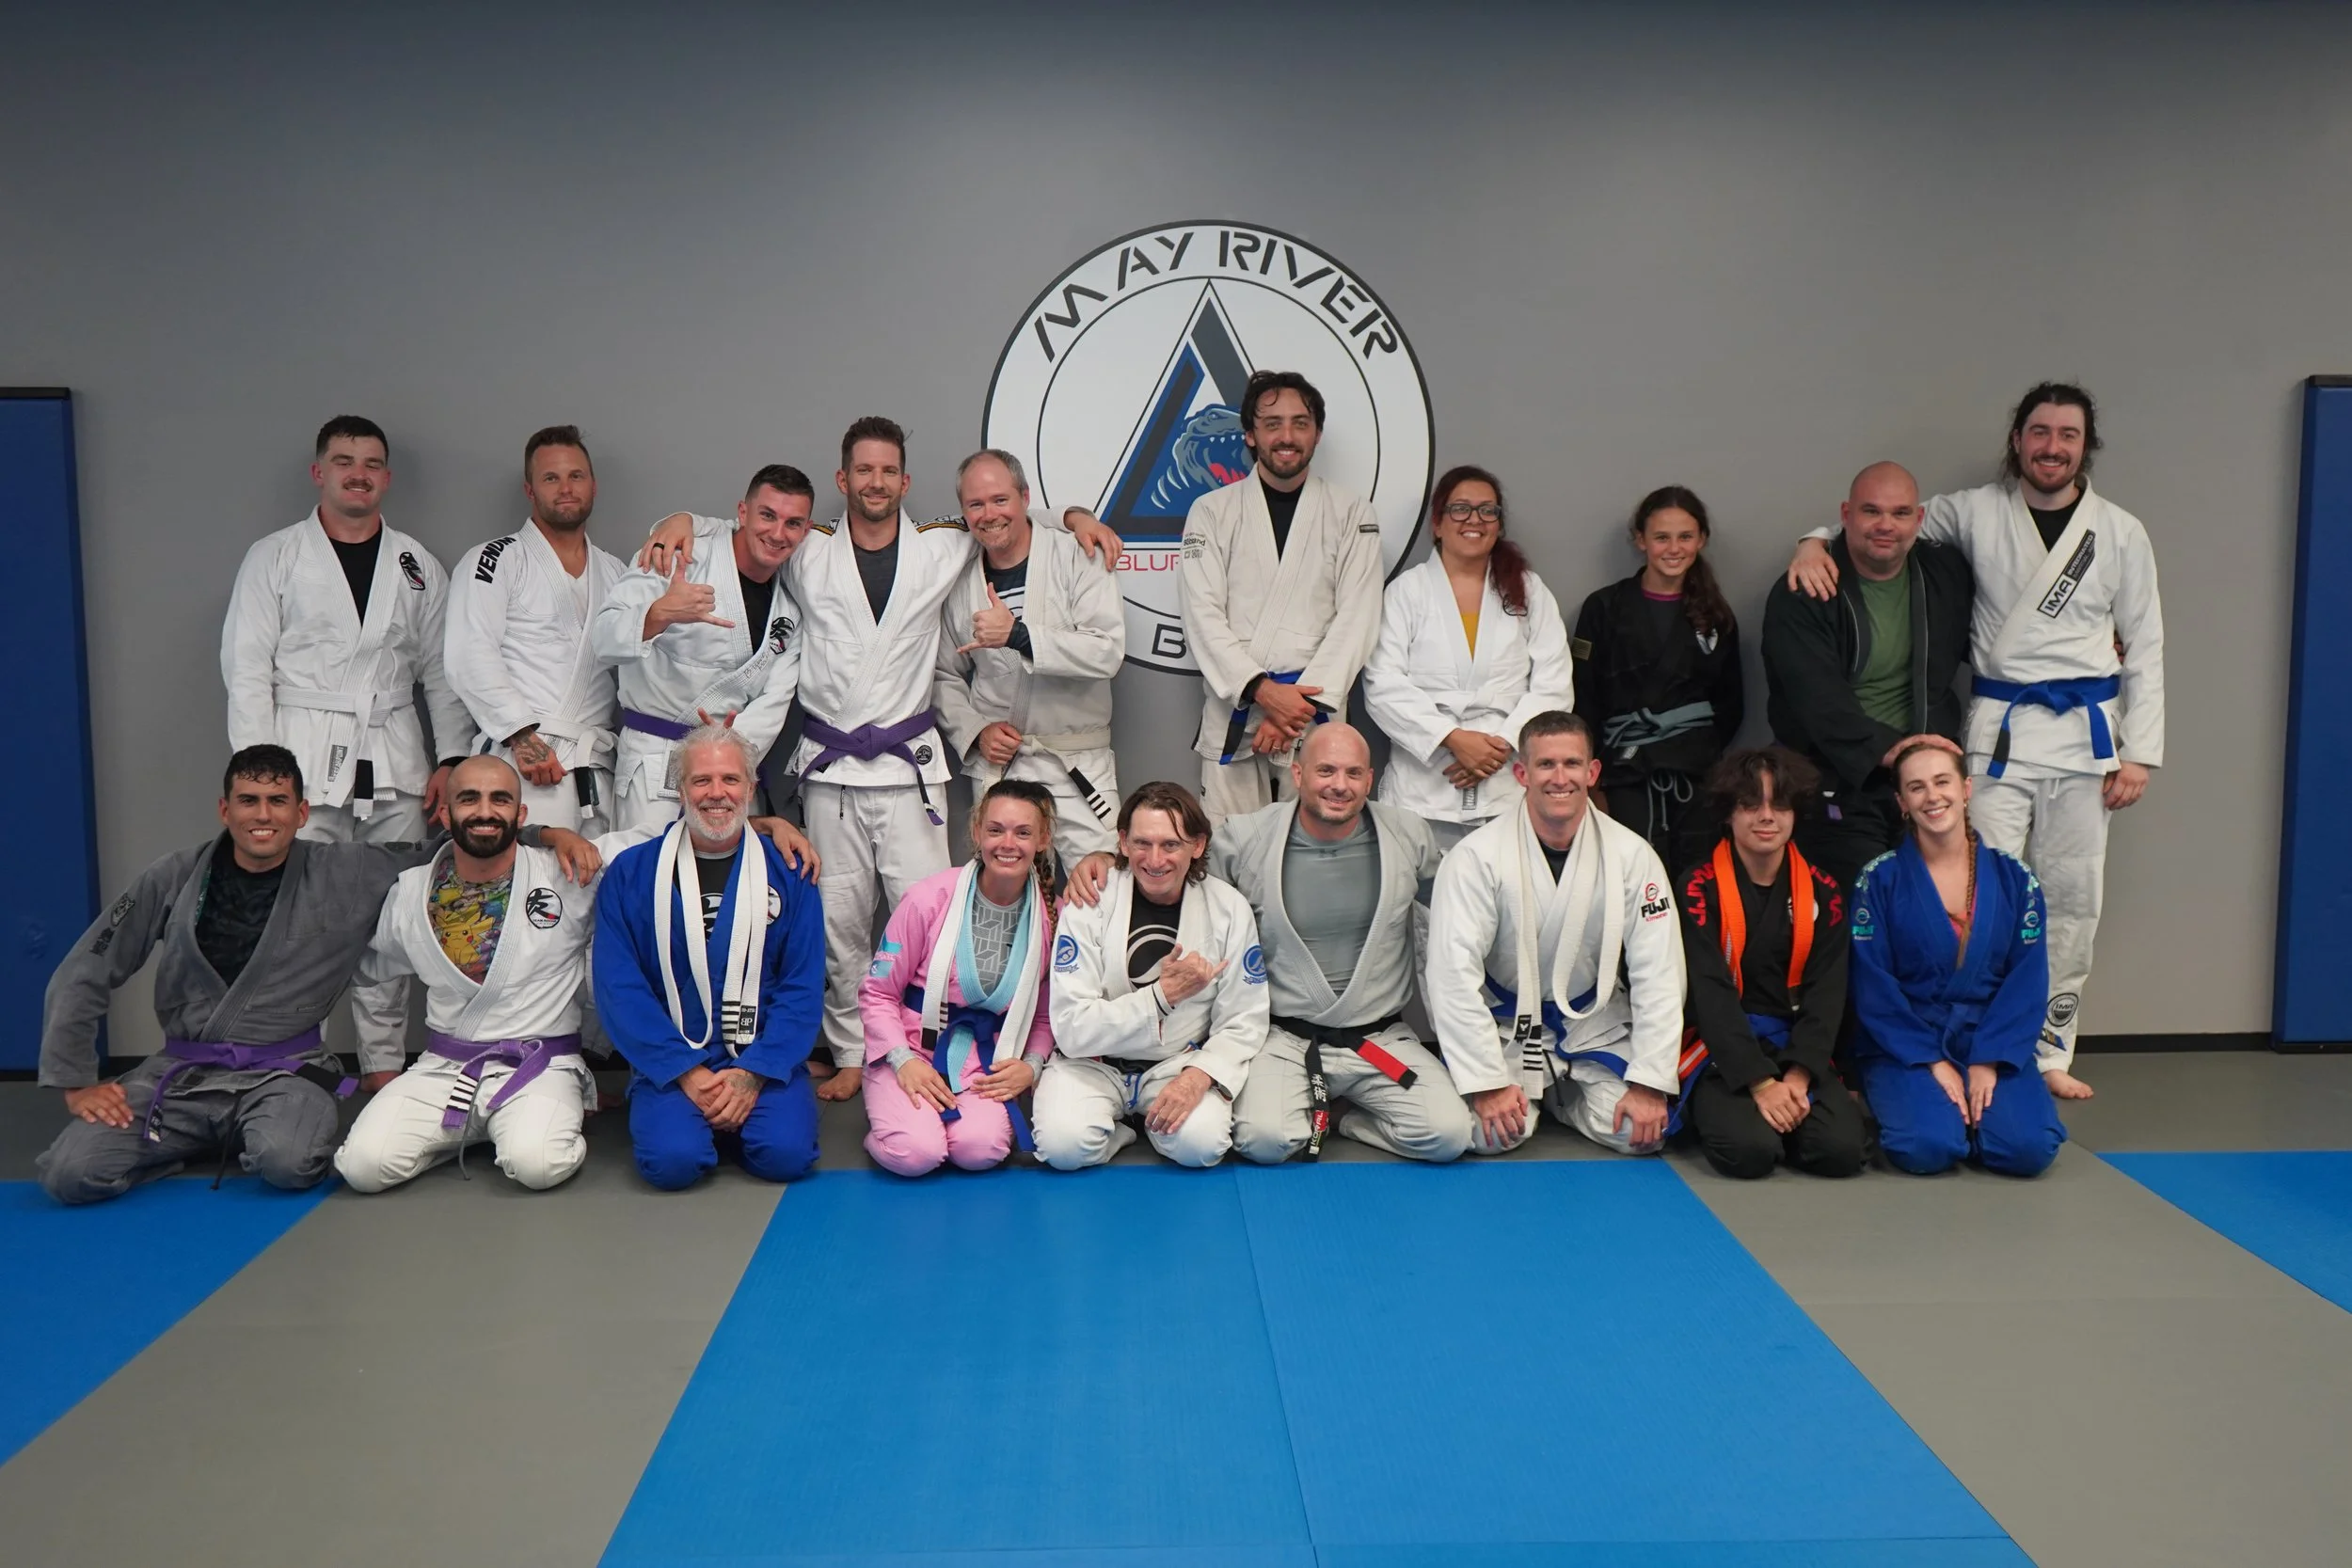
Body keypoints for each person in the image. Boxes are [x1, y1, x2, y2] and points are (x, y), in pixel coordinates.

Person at [638, 419, 1121, 1101]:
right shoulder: (808, 546)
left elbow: (1005, 520)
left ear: (905, 481)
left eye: (887, 470)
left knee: (929, 916)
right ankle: (853, 1050)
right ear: (844, 480)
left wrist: (1072, 515)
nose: (875, 481)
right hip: (832, 766)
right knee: (840, 915)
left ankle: (936, 1041)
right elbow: (744, 528)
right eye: (862, 470)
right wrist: (676, 518)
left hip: (909, 766)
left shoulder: (942, 544)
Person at [1788, 384, 2165, 1100]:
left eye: (2068, 434)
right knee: (1975, 891)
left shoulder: (2120, 531)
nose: (2053, 446)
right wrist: (1809, 539)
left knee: (2074, 895)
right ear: (2017, 438)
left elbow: (2146, 643)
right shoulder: (1974, 511)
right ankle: (1967, 1039)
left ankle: (2048, 1047)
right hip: (2000, 734)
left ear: (2086, 446)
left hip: (2088, 741)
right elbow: (1884, 521)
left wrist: (2140, 749)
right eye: (2040, 432)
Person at [33, 745, 594, 1206]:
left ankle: (221, 1135)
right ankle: (188, 1137)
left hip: (285, 1073)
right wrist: (78, 1080)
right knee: (69, 1173)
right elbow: (87, 966)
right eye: (248, 801)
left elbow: (468, 842)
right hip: (179, 1075)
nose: (262, 815)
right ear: (224, 809)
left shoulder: (345, 869)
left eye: (278, 801)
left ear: (302, 814)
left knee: (290, 1163)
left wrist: (547, 835)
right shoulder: (172, 875)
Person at [221, 415, 476, 1082]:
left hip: (393, 758)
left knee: (389, 913)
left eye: (370, 463)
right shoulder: (274, 556)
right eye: (343, 461)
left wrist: (450, 760)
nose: (357, 473)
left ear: (386, 477)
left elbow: (443, 673)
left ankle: (384, 1066)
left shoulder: (417, 564)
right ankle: (286, 1056)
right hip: (301, 760)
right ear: (320, 472)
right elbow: (247, 667)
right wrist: (260, 784)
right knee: (294, 914)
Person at [333, 756, 637, 1193]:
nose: (485, 811)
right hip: (442, 1068)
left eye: (500, 799)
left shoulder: (568, 871)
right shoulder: (413, 891)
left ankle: (533, 1119)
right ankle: (487, 1126)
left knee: (537, 1165)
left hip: (540, 1065)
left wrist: (765, 825)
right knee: (362, 1166)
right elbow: (367, 968)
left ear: (521, 814)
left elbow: (660, 844)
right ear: (445, 812)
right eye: (469, 798)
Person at [1210, 724, 1474, 1164]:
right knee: (1265, 1141)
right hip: (1283, 1039)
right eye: (1326, 770)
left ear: (1369, 781)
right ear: (1298, 775)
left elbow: (1461, 907)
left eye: (1353, 774)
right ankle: (1314, 1107)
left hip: (1379, 1042)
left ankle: (1343, 1118)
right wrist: (1109, 861)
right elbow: (1193, 903)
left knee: (1448, 1135)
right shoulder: (1244, 839)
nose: (1339, 785)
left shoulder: (1407, 835)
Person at [1425, 712, 1685, 1155]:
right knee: (1490, 1138)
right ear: (1522, 773)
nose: (1559, 778)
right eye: (1546, 765)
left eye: (1571, 764)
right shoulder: (1476, 857)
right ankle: (1532, 1095)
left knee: (1642, 1135)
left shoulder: (1632, 856)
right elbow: (1452, 975)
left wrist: (1649, 1081)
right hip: (1506, 1027)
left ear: (1592, 771)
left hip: (1593, 1023)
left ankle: (1561, 1098)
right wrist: (1487, 1083)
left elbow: (1659, 971)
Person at [595, 726, 827, 1190]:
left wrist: (754, 1074)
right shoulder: (633, 872)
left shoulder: (789, 871)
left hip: (762, 1055)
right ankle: (695, 1116)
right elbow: (618, 987)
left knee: (786, 1156)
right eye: (701, 781)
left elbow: (802, 985)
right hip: (674, 1057)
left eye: (730, 780)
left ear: (751, 788)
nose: (716, 793)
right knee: (672, 1164)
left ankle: (748, 1108)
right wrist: (685, 1071)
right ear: (680, 790)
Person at [1169, 370, 1384, 826]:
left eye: (1300, 423)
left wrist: (1293, 709)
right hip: (1238, 708)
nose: (1287, 436)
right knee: (1229, 853)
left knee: (1315, 848)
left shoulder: (1351, 513)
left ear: (1317, 433)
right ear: (1250, 434)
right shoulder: (1210, 512)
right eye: (1272, 424)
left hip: (1315, 720)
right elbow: (1201, 616)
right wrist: (1263, 691)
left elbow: (1358, 619)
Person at [1848, 741, 2065, 1177]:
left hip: (1991, 1036)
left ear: (1966, 789)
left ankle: (1977, 1114)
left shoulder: (2014, 878)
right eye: (1916, 787)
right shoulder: (1880, 879)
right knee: (1927, 1148)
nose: (1933, 796)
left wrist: (1987, 1060)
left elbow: (2027, 978)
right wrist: (1932, 1060)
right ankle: (1928, 1109)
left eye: (1942, 781)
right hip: (1908, 1043)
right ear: (1902, 803)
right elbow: (1872, 983)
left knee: (2029, 1151)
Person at [1762, 461, 1974, 893]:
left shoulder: (1944, 573)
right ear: (1845, 516)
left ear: (1919, 520)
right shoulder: (1805, 590)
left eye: (1899, 514)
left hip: (1922, 786)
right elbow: (1818, 703)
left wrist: (2098, 642)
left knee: (1940, 912)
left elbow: (1998, 629)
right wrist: (1905, 751)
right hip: (1836, 784)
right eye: (1871, 512)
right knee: (1864, 914)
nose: (1885, 526)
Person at [1033, 782, 1267, 1169]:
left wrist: (1198, 1076)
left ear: (1197, 845)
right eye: (1142, 843)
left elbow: (1244, 1019)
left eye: (1171, 845)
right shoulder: (1091, 901)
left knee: (1202, 1147)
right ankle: (1125, 1129)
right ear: (1122, 842)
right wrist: (1161, 997)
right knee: (1063, 1149)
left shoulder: (1228, 908)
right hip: (1095, 1064)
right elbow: (1072, 1027)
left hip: (1176, 1063)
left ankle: (1145, 1117)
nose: (1155, 860)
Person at [1675, 747, 1866, 1180]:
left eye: (1779, 804)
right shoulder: (1697, 888)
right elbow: (1710, 993)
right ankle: (1753, 1114)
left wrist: (1797, 1077)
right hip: (1724, 1049)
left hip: (1795, 1045)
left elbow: (1827, 994)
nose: (1766, 816)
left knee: (1841, 1153)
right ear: (1728, 813)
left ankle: (1787, 1112)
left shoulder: (1824, 893)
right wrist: (1760, 1083)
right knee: (1749, 1153)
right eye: (1750, 804)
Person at [1361, 465, 1572, 855]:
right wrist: (1452, 739)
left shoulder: (1528, 591)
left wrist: (1503, 744)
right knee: (1423, 909)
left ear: (1498, 524)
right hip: (1425, 786)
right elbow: (1381, 684)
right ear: (1437, 524)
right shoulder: (1406, 593)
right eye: (1460, 509)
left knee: (1509, 905)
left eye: (1487, 510)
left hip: (1505, 779)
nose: (1474, 519)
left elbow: (1554, 685)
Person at [932, 449, 1126, 871]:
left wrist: (1018, 635)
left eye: (1001, 500)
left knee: (1100, 894)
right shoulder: (959, 578)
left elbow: (1106, 651)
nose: (989, 514)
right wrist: (976, 730)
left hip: (1077, 762)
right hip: (1002, 767)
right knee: (1004, 900)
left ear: (1025, 497)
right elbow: (943, 675)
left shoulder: (1078, 553)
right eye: (975, 504)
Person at [593, 465, 815, 831]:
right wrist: (659, 614)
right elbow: (603, 640)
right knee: (650, 880)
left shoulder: (791, 604)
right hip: (656, 761)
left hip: (729, 769)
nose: (777, 533)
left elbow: (775, 701)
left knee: (727, 885)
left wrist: (723, 757)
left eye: (793, 523)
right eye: (767, 515)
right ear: (742, 512)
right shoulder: (679, 557)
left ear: (806, 530)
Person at [859, 781, 1058, 1176]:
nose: (1008, 843)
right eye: (996, 829)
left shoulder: (1052, 916)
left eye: (1023, 833)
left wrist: (1031, 1066)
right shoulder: (928, 899)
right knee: (916, 1154)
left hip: (985, 1061)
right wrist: (902, 1061)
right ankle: (894, 1118)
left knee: (980, 1150)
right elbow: (878, 994)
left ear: (1043, 839)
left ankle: (937, 1119)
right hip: (913, 1047)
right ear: (977, 832)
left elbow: (1045, 1014)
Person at [446, 425, 628, 832]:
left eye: (575, 476)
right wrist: (522, 738)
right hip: (524, 761)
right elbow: (468, 654)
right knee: (537, 888)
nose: (565, 488)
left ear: (593, 486)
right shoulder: (495, 559)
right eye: (551, 478)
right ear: (530, 490)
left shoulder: (617, 571)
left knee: (598, 887)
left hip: (595, 763)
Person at [1571, 486, 1743, 878]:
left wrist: (1698, 749)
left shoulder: (1715, 615)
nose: (1674, 548)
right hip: (1625, 772)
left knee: (1695, 882)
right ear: (1640, 540)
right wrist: (1592, 780)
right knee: (1632, 882)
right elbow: (1585, 695)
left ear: (1701, 539)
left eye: (1685, 536)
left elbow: (1731, 702)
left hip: (1696, 775)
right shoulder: (1602, 608)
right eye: (1661, 537)